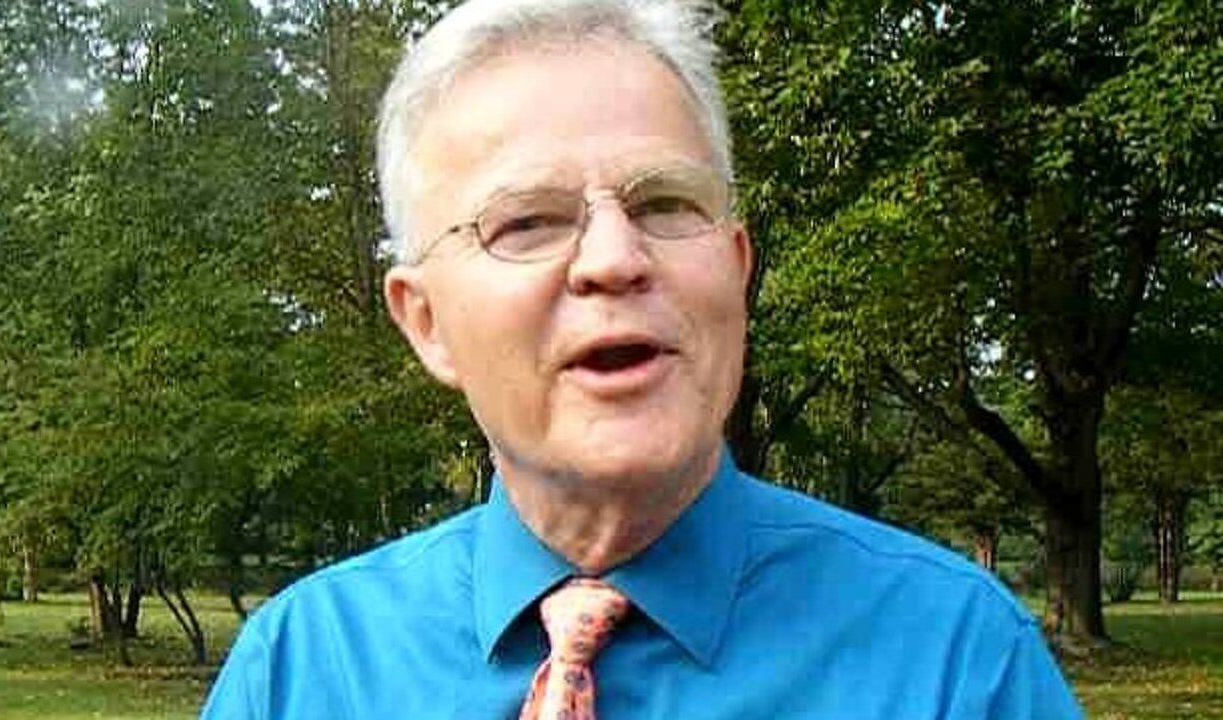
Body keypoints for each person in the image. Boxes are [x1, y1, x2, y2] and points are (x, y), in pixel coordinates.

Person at [200, 1, 1085, 718]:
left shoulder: (957, 666)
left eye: (664, 203)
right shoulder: (301, 674)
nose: (615, 258)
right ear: (426, 321)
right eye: (527, 222)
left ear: (735, 270)